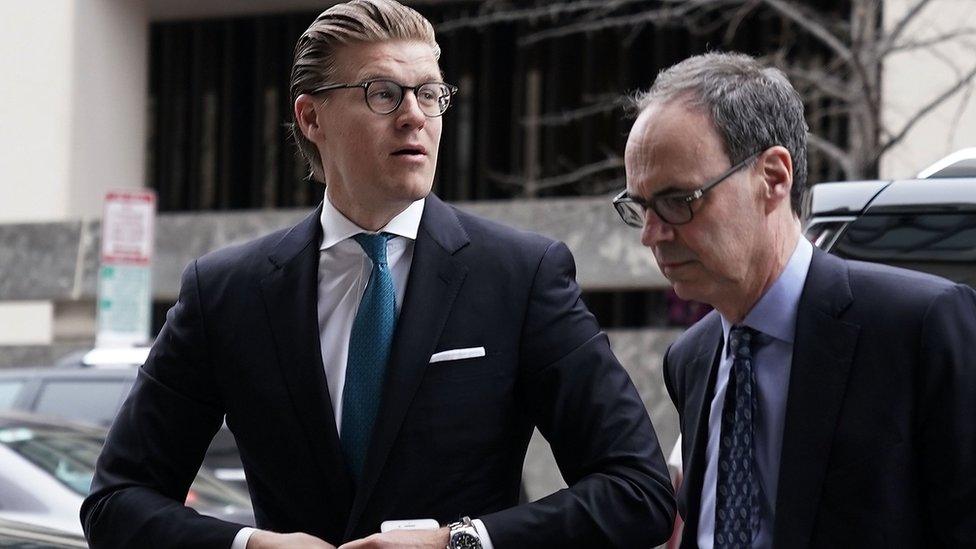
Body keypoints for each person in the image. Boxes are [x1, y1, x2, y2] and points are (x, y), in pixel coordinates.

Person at [81, 1, 676, 548]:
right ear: (311, 117)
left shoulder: (521, 275)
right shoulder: (227, 291)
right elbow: (115, 500)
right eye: (383, 93)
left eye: (431, 93)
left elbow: (638, 490)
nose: (414, 117)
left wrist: (459, 542)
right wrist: (249, 545)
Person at [614, 51, 976, 548]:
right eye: (640, 206)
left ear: (773, 177)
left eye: (678, 201)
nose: (652, 235)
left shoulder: (917, 326)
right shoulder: (692, 358)